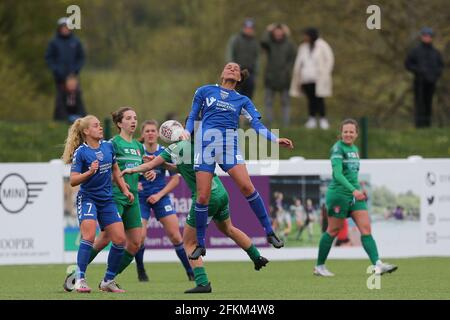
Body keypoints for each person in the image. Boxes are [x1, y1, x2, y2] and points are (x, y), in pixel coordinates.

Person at [122, 128, 270, 293]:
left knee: (189, 242)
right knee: (228, 228)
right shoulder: (203, 145)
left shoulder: (175, 148)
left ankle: (202, 283)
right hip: (220, 192)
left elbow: (150, 165)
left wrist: (132, 170)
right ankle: (257, 257)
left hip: (205, 197)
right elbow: (180, 168)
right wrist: (163, 163)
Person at [184, 62, 294, 259]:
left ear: (240, 78)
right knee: (202, 197)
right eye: (229, 66)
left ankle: (269, 232)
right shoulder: (204, 91)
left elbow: (257, 125)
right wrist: (186, 131)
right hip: (205, 146)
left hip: (228, 147)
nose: (233, 69)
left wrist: (275, 139)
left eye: (236, 68)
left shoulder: (242, 100)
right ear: (222, 73)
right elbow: (193, 115)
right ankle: (200, 244)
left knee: (247, 187)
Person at [314, 119, 398, 276]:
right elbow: (338, 175)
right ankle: (319, 266)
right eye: (345, 131)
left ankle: (378, 264)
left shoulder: (355, 148)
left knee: (366, 229)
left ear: (356, 134)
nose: (348, 134)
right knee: (333, 230)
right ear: (341, 133)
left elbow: (351, 175)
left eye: (351, 132)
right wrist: (354, 190)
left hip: (354, 196)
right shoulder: (338, 149)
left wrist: (358, 189)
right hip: (338, 195)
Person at [80, 107, 151, 288]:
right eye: (128, 118)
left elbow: (137, 168)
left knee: (135, 243)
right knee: (105, 238)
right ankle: (77, 272)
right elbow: (109, 168)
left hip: (132, 197)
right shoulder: (113, 144)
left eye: (135, 118)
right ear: (119, 123)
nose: (133, 121)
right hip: (115, 196)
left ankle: (108, 279)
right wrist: (116, 181)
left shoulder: (138, 146)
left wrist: (148, 173)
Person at [61, 115, 133, 293]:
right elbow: (73, 181)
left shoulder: (108, 146)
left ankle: (108, 281)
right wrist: (90, 172)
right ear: (86, 131)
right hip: (88, 199)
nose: (100, 128)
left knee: (120, 239)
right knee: (89, 236)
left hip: (107, 200)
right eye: (96, 126)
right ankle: (80, 279)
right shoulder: (81, 152)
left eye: (100, 125)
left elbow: (115, 169)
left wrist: (124, 190)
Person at [134, 120, 194, 282]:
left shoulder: (165, 151)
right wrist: (135, 183)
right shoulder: (137, 152)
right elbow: (129, 171)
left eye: (153, 130)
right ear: (143, 134)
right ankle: (141, 270)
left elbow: (175, 179)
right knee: (140, 237)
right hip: (141, 198)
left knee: (175, 236)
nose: (150, 133)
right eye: (147, 131)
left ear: (158, 134)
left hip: (160, 197)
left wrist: (159, 195)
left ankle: (190, 271)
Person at [290, 27, 334, 130]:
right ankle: (312, 119)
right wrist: (299, 77)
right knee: (310, 99)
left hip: (319, 78)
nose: (304, 37)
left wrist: (325, 73)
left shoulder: (322, 45)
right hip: (306, 78)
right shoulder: (303, 47)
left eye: (306, 35)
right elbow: (299, 63)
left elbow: (329, 59)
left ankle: (323, 119)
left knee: (319, 99)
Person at [45, 17, 85, 121]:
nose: (65, 29)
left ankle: (80, 119)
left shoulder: (76, 42)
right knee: (60, 98)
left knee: (76, 96)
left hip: (73, 76)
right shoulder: (54, 42)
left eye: (67, 27)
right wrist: (57, 70)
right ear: (59, 28)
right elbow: (49, 58)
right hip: (59, 77)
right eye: (63, 27)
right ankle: (60, 119)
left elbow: (81, 58)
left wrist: (75, 70)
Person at [405, 27, 444, 128]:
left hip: (431, 82)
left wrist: (435, 74)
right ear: (422, 37)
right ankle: (419, 126)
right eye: (425, 36)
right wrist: (418, 71)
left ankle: (427, 125)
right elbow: (408, 64)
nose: (427, 38)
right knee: (419, 103)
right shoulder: (415, 51)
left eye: (429, 36)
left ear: (431, 38)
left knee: (428, 103)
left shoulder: (435, 53)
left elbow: (440, 66)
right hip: (419, 82)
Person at [260, 23, 297, 126]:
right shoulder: (270, 44)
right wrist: (268, 30)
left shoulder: (289, 45)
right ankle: (268, 123)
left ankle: (286, 124)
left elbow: (293, 59)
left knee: (285, 103)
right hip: (270, 78)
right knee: (268, 102)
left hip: (285, 79)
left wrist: (287, 71)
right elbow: (263, 42)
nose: (278, 33)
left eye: (280, 31)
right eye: (275, 31)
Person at [226, 18, 260, 99]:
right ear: (243, 28)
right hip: (238, 72)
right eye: (247, 28)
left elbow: (257, 59)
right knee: (235, 96)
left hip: (250, 73)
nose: (248, 30)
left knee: (248, 98)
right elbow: (229, 55)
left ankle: (245, 112)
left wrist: (256, 73)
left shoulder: (255, 42)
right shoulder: (235, 39)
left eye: (250, 28)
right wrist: (231, 70)